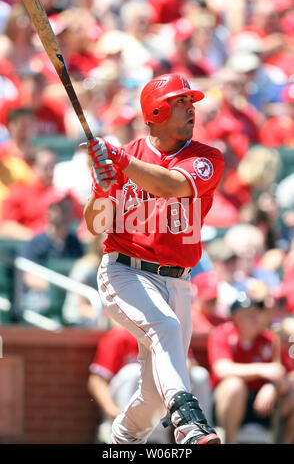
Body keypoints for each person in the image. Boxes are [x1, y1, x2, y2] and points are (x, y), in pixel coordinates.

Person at [84, 73, 225, 444]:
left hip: (178, 280)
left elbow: (171, 184)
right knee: (165, 327)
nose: (191, 107)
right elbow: (96, 224)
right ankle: (190, 420)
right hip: (125, 270)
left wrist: (119, 161)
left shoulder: (206, 158)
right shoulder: (127, 156)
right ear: (157, 110)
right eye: (181, 101)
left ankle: (121, 442)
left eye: (190, 101)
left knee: (151, 399)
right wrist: (101, 185)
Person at [207, 291, 293, 444]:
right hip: (227, 403)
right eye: (249, 314)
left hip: (262, 404)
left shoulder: (269, 338)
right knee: (234, 385)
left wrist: (273, 386)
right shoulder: (222, 333)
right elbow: (222, 369)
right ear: (236, 318)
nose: (255, 318)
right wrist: (262, 369)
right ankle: (229, 442)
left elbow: (287, 374)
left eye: (257, 313)